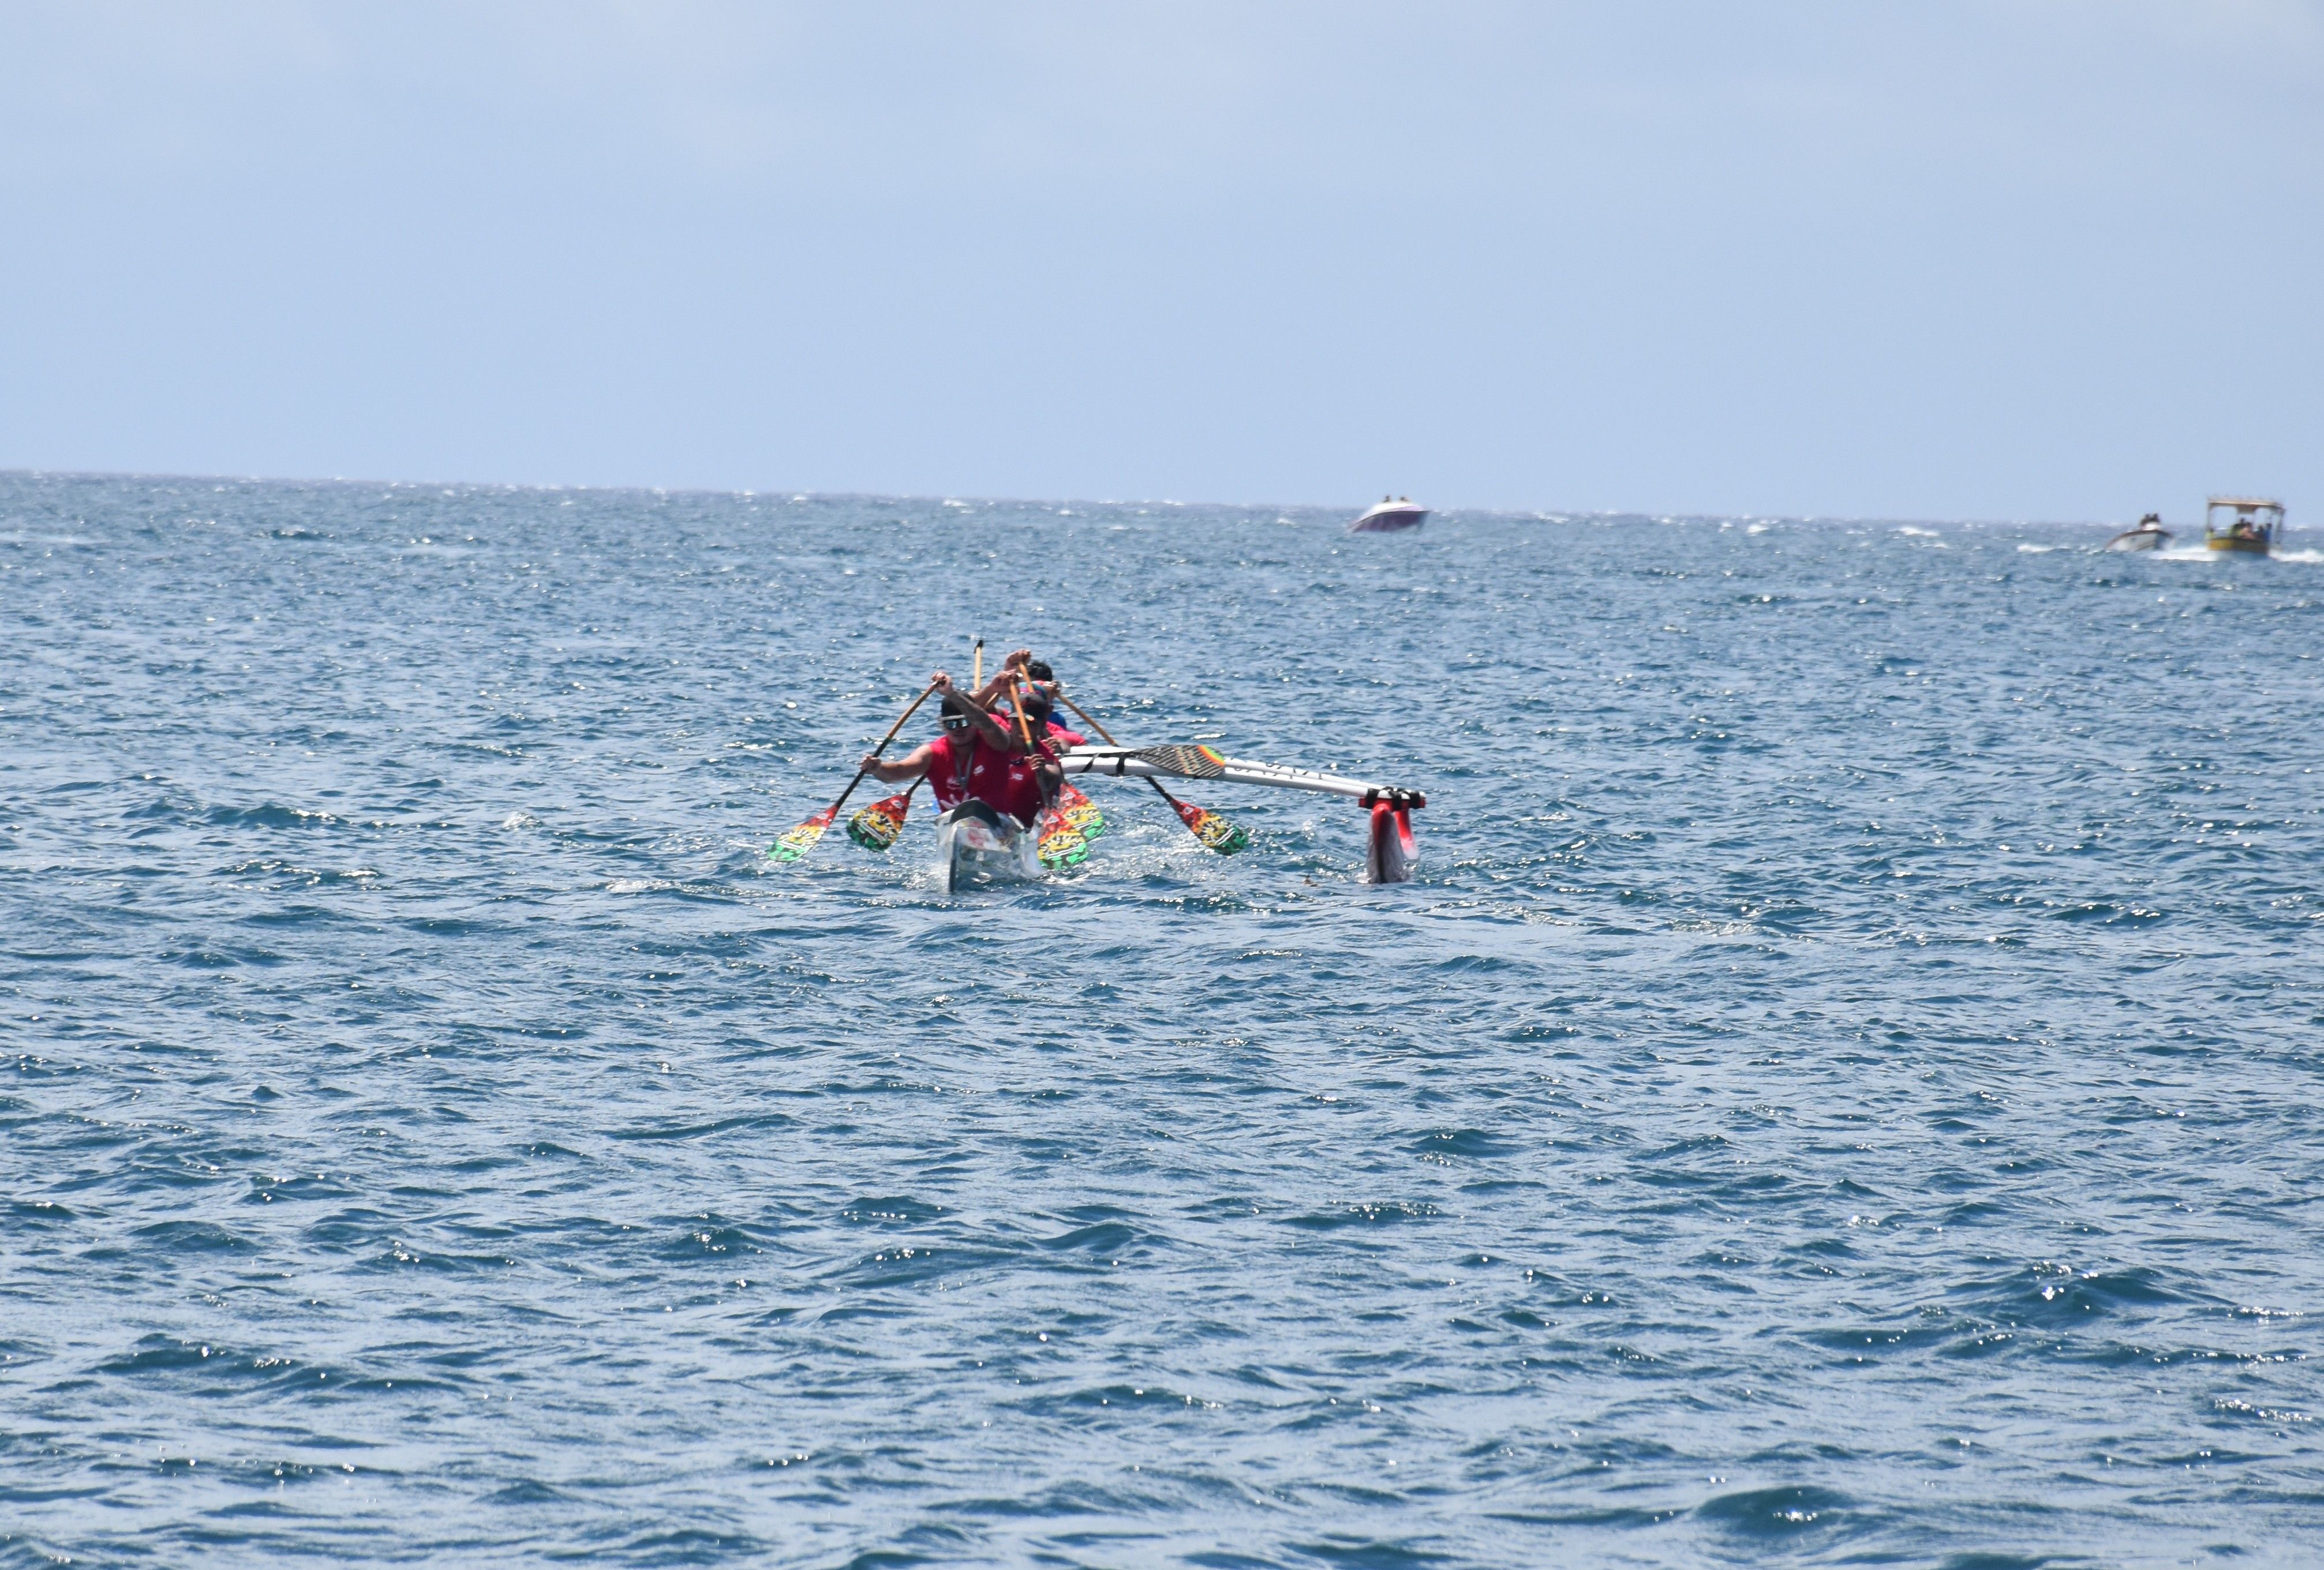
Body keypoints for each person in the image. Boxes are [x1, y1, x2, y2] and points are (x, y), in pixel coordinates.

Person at [859, 671, 1054, 829]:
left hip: (998, 826)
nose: (958, 729)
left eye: (963, 723)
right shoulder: (932, 752)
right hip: (953, 827)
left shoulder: (994, 742)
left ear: (974, 723)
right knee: (955, 825)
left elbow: (986, 723)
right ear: (942, 727)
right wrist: (878, 768)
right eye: (950, 725)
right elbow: (900, 771)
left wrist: (952, 694)